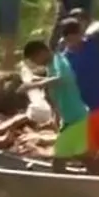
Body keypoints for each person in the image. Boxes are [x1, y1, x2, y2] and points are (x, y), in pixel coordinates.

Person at [20, 29, 90, 173]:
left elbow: (62, 79)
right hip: (70, 118)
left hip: (77, 117)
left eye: (34, 59)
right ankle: (96, 176)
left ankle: (62, 184)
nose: (36, 63)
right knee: (79, 153)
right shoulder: (51, 66)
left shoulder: (59, 60)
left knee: (59, 158)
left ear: (41, 52)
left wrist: (35, 85)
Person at [62, 12, 99, 173]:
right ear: (65, 39)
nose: (74, 41)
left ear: (81, 33)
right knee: (89, 148)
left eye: (76, 36)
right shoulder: (64, 59)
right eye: (69, 38)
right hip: (84, 108)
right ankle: (95, 175)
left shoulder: (95, 44)